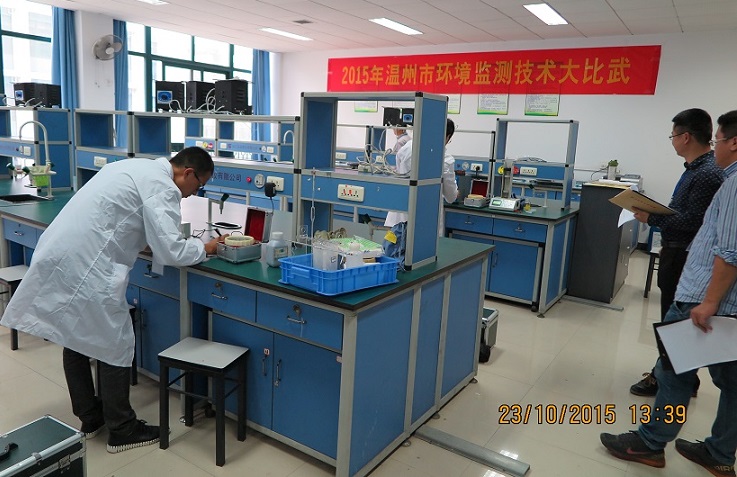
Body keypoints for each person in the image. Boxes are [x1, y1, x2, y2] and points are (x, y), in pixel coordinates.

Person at [0, 147, 226, 454]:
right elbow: (172, 251)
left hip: (64, 252)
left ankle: (91, 417)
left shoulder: (135, 167)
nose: (194, 193)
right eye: (199, 185)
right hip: (90, 264)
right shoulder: (163, 187)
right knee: (115, 343)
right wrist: (205, 248)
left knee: (76, 336)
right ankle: (122, 429)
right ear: (188, 173)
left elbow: (126, 216)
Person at [601, 110, 737, 476]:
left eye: (719, 140)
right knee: (731, 382)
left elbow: (729, 251)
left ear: (733, 142)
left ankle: (650, 444)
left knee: (672, 369)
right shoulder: (721, 177)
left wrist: (709, 302)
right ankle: (720, 453)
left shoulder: (730, 183)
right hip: (720, 296)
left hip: (705, 296)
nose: (716, 147)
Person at [629, 108, 724, 398]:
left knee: (674, 322)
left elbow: (693, 221)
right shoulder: (697, 169)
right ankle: (682, 377)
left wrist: (651, 217)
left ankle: (666, 379)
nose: (671, 141)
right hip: (678, 251)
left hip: (684, 255)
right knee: (676, 322)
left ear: (685, 137)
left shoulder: (706, 174)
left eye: (672, 135)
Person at [384, 118, 458, 234]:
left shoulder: (406, 147)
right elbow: (451, 197)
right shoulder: (445, 159)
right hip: (423, 220)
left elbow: (399, 172)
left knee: (393, 244)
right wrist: (456, 192)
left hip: (398, 213)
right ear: (447, 137)